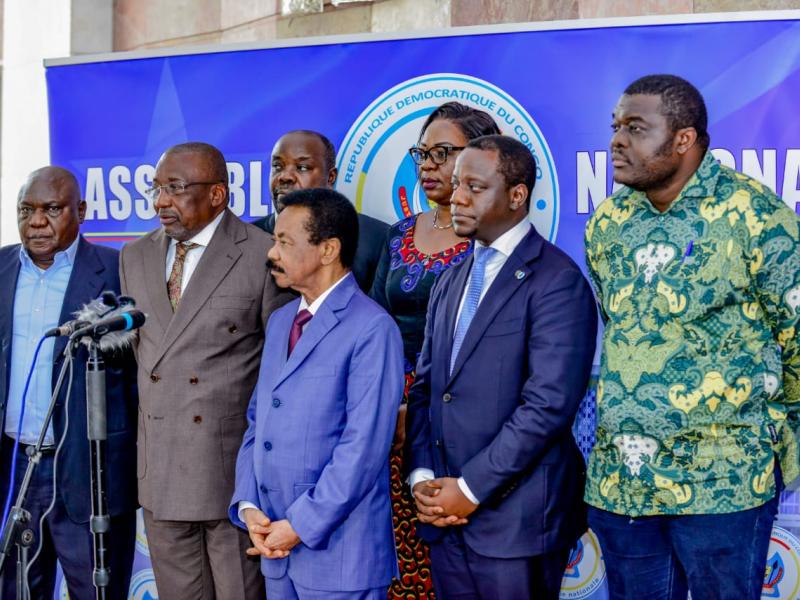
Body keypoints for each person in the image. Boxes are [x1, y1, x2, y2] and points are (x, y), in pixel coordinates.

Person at [584, 74, 800, 600]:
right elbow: (617, 332)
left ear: (684, 139)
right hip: (623, 485)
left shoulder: (754, 215)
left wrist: (776, 432)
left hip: (722, 480)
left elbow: (795, 336)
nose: (617, 140)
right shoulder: (607, 223)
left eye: (636, 127)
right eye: (615, 127)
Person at [406, 135, 597, 599]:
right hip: (445, 521)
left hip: (517, 525)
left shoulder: (557, 281)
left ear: (517, 196)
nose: (457, 198)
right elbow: (427, 390)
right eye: (456, 185)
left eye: (475, 186)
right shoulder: (451, 279)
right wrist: (424, 479)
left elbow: (548, 406)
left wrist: (470, 489)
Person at [119, 142, 291, 600]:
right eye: (157, 189)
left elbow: (281, 372)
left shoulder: (263, 254)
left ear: (217, 195)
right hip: (160, 470)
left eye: (175, 188)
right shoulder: (133, 257)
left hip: (230, 475)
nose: (161, 202)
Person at [230, 188, 404, 599]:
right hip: (277, 553)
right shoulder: (280, 322)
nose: (272, 253)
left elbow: (363, 449)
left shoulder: (372, 329)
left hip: (340, 559)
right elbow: (258, 421)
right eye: (275, 240)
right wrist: (249, 506)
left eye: (285, 242)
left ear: (328, 250)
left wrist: (299, 526)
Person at [369, 101, 500, 597]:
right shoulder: (401, 233)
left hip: (462, 414)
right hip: (393, 413)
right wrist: (390, 406)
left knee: (458, 550)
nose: (427, 165)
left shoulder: (490, 241)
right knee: (403, 546)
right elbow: (378, 323)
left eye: (443, 153)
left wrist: (421, 408)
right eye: (422, 153)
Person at [0, 166, 137, 599]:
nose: (36, 222)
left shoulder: (119, 270)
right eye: (26, 210)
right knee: (17, 587)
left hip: (88, 467)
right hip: (15, 467)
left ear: (80, 211)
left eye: (51, 209)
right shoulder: (0, 269)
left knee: (97, 588)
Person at [252, 129, 389, 293]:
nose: (285, 176)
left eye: (302, 167)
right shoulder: (249, 238)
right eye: (277, 166)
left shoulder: (375, 239)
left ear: (330, 177)